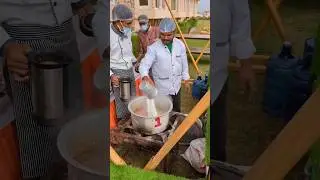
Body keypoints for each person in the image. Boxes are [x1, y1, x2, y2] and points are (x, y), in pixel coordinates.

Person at [0, 1, 90, 179]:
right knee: (40, 140)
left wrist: (80, 5)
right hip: (24, 44)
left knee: (75, 129)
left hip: (67, 35)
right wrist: (5, 44)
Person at [210, 0, 256, 162]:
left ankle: (217, 165)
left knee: (215, 128)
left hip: (218, 66)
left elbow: (241, 20)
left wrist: (246, 64)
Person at [139, 18, 190, 112]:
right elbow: (144, 65)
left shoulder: (180, 45)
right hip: (162, 88)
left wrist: (186, 78)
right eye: (163, 34)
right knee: (164, 112)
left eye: (169, 35)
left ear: (174, 33)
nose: (165, 38)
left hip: (176, 86)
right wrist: (145, 77)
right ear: (159, 33)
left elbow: (184, 63)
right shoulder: (153, 48)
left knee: (177, 110)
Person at [108, 4, 137, 120]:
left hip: (129, 69)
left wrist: (135, 62)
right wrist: (111, 75)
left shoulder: (127, 31)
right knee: (122, 101)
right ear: (118, 21)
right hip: (117, 71)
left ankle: (134, 121)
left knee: (133, 100)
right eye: (128, 23)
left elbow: (128, 50)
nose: (130, 26)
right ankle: (122, 125)